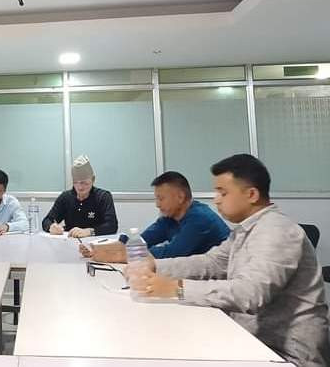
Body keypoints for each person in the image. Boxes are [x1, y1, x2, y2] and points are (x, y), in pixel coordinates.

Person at [126, 154, 330, 367]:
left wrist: (176, 288)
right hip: (250, 338)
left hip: (284, 354)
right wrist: (155, 266)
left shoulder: (276, 231)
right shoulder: (245, 229)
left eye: (223, 192)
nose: (216, 199)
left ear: (251, 194)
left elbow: (251, 293)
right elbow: (212, 262)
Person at [80, 171, 229, 262]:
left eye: (161, 198)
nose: (157, 204)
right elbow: (141, 240)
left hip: (221, 282)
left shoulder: (200, 219)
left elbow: (171, 254)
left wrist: (121, 255)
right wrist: (98, 249)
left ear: (180, 197)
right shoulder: (169, 218)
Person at [42, 155, 118, 237]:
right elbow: (47, 220)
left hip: (95, 242)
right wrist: (51, 227)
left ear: (93, 179)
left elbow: (112, 225)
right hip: (70, 241)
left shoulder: (103, 197)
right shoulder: (65, 197)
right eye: (75, 182)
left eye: (84, 183)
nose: (80, 187)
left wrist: (89, 231)